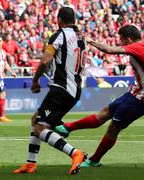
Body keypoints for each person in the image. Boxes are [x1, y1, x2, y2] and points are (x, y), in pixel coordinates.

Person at [55, 24, 144, 167]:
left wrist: (89, 40)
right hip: (133, 94)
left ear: (128, 40)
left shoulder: (137, 47)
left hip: (141, 100)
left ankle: (94, 160)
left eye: (120, 39)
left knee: (113, 129)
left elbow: (109, 50)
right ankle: (67, 128)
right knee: (104, 113)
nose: (119, 43)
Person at [13, 7, 87, 175]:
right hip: (75, 89)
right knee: (36, 120)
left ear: (59, 20)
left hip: (62, 88)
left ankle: (75, 153)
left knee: (40, 128)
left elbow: (45, 61)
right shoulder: (82, 37)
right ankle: (30, 164)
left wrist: (35, 80)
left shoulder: (59, 35)